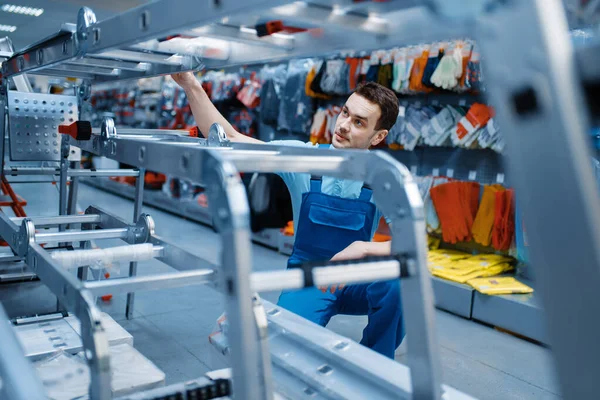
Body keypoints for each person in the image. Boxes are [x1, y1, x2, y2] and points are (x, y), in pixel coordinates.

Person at [172, 72, 404, 359]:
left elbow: (414, 244)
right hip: (308, 278)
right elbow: (230, 138)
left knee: (401, 281)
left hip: (355, 278)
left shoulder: (383, 176)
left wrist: (363, 247)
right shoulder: (302, 159)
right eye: (345, 113)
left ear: (378, 136)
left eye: (358, 122)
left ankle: (378, 362)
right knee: (284, 352)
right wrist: (190, 84)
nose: (343, 125)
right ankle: (258, 320)